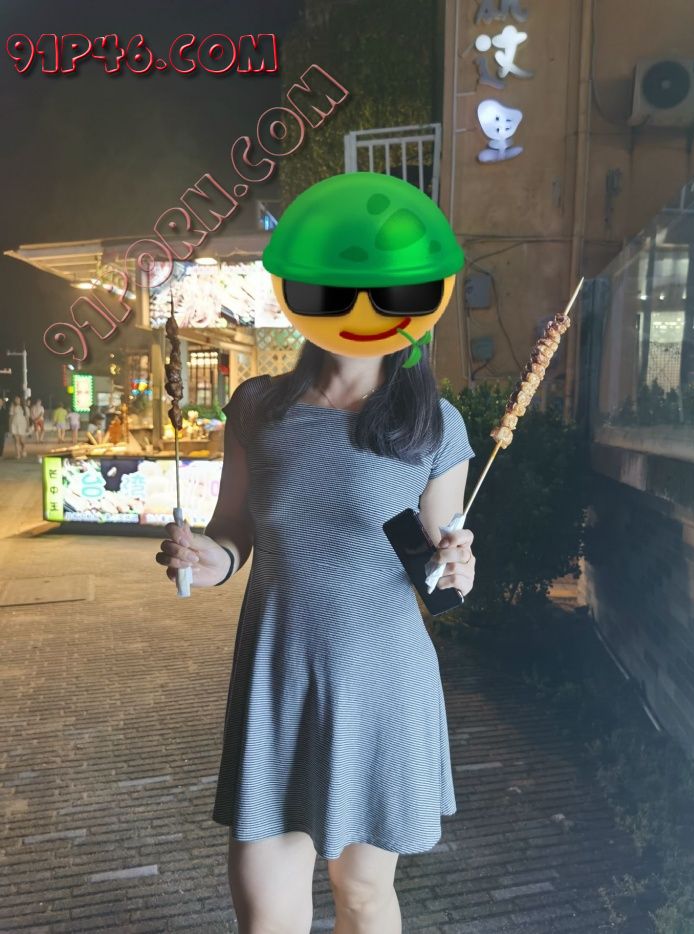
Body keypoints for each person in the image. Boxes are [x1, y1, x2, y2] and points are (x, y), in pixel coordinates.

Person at [156, 173, 477, 933]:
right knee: (265, 910)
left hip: (382, 682)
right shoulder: (257, 408)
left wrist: (460, 568)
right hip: (278, 676)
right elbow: (233, 535)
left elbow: (439, 573)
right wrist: (206, 559)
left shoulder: (433, 426)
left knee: (362, 895)